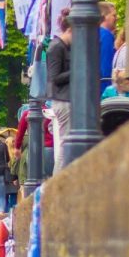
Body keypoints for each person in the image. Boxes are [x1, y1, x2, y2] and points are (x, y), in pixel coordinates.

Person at [46, 12, 73, 169]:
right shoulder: (56, 47)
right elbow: (54, 77)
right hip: (63, 100)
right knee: (66, 144)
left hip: (65, 99)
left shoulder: (62, 46)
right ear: (69, 30)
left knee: (67, 143)